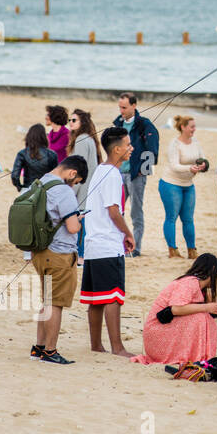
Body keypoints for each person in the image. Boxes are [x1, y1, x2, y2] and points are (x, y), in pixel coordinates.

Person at [81, 127, 137, 356]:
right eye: (128, 145)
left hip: (93, 242)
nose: (131, 148)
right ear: (117, 149)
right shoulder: (112, 174)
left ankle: (96, 344)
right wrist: (128, 233)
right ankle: (117, 347)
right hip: (107, 242)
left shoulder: (99, 170)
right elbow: (114, 211)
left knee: (96, 298)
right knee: (113, 296)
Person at [27, 157, 88, 365]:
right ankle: (50, 351)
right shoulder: (64, 191)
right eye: (76, 180)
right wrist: (78, 221)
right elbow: (72, 228)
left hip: (39, 252)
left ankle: (39, 347)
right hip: (60, 254)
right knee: (56, 303)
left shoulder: (40, 182)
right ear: (72, 173)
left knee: (46, 300)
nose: (75, 184)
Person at [131, 254, 217, 365]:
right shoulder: (189, 282)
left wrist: (215, 311)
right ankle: (196, 356)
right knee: (201, 318)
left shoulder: (200, 287)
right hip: (157, 333)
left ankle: (199, 356)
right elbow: (176, 309)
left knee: (204, 316)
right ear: (213, 270)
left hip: (165, 327)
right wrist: (206, 307)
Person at [112, 92, 159, 257]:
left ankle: (136, 248)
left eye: (124, 107)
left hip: (136, 175)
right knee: (116, 210)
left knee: (136, 212)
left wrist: (142, 170)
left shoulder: (144, 124)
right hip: (118, 173)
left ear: (134, 106)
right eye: (120, 107)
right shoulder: (117, 123)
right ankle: (118, 245)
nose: (121, 110)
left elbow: (153, 149)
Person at [159, 115, 207, 260]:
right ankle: (172, 250)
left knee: (188, 219)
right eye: (191, 126)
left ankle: (192, 250)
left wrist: (203, 165)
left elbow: (202, 158)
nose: (194, 129)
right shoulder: (175, 144)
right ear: (183, 127)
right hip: (171, 183)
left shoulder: (196, 142)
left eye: (194, 126)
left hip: (188, 185)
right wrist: (190, 169)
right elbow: (174, 165)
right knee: (171, 217)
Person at [67, 109, 101, 264]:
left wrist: (71, 191)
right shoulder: (89, 138)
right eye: (70, 120)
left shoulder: (81, 139)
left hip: (82, 188)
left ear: (82, 123)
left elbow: (78, 169)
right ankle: (83, 255)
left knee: (80, 223)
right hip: (90, 187)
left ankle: (80, 257)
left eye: (74, 120)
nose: (70, 123)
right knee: (85, 223)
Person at [11, 124, 58, 191]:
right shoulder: (52, 154)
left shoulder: (22, 153)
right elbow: (56, 176)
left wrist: (20, 188)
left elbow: (15, 176)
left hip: (28, 189)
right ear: (44, 137)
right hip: (46, 191)